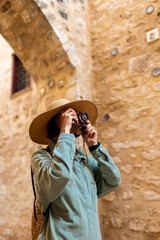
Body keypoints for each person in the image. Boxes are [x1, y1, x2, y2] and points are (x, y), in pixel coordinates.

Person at [29, 99, 121, 240]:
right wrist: (64, 132)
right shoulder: (41, 157)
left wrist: (94, 147)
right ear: (56, 122)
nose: (72, 119)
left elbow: (113, 179)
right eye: (66, 115)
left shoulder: (82, 156)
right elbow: (59, 176)